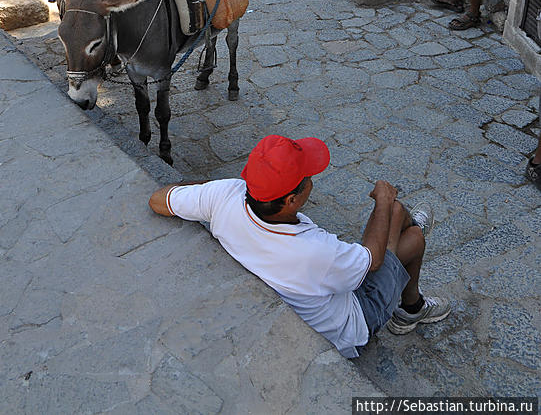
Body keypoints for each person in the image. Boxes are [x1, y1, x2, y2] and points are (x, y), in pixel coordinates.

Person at [148, 134, 451, 357]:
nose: (311, 179)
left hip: (312, 285)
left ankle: (405, 237)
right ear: (291, 200)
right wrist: (383, 201)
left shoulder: (227, 194)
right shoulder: (313, 250)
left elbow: (158, 200)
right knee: (405, 226)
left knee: (398, 226)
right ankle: (411, 308)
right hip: (354, 319)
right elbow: (371, 260)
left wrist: (199, 201)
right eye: (308, 177)